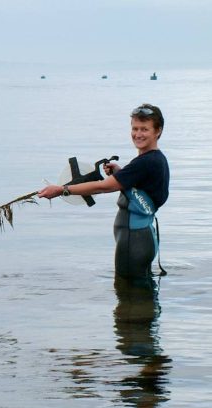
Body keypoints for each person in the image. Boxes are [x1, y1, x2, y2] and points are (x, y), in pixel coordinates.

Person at [38, 104, 169, 280]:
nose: (138, 134)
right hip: (140, 238)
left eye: (144, 129)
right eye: (135, 128)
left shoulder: (145, 162)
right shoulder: (155, 159)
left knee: (129, 299)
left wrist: (63, 190)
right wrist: (120, 172)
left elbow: (104, 186)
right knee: (139, 297)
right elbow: (141, 186)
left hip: (134, 241)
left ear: (157, 131)